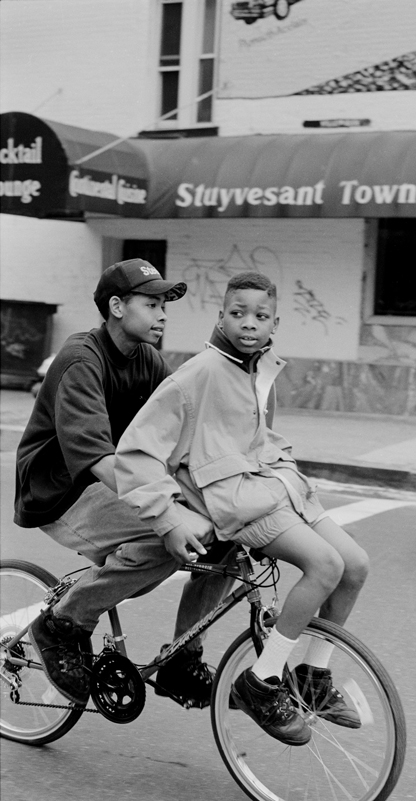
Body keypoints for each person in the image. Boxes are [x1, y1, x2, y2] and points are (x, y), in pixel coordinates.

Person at [114, 271, 370, 746]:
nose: (248, 323)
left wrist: (286, 461)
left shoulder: (260, 368)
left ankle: (313, 674)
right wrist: (169, 513)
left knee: (355, 565)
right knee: (325, 565)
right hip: (240, 501)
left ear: (275, 323)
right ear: (221, 317)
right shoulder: (201, 372)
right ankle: (262, 679)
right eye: (237, 313)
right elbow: (136, 450)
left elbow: (258, 437)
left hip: (278, 487)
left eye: (260, 315)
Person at [15, 258, 234, 709]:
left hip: (113, 481)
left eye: (163, 305)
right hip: (61, 491)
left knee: (221, 537)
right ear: (116, 306)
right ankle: (62, 623)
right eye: (151, 304)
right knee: (162, 538)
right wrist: (169, 514)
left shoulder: (147, 360)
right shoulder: (81, 361)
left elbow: (182, 434)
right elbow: (99, 460)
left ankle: (182, 660)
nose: (162, 314)